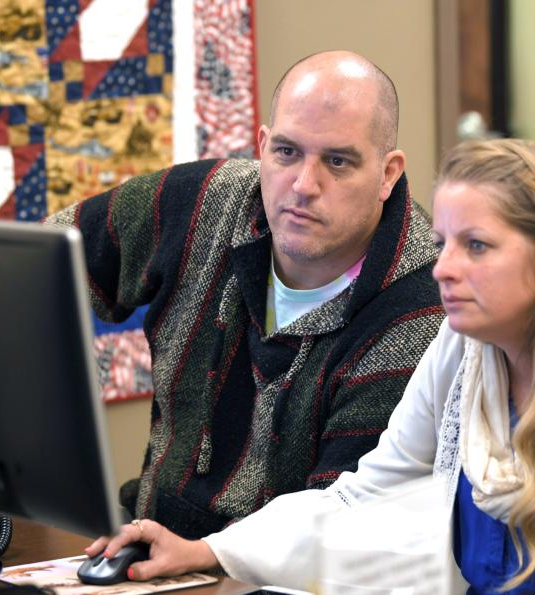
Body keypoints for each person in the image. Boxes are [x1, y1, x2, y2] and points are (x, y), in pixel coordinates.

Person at [90, 139, 535, 594]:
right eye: (442, 243)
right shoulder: (466, 349)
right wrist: (208, 550)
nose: (443, 269)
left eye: (477, 245)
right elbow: (361, 494)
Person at [47, 50, 444, 539]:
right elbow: (36, 263)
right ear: (261, 146)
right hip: (143, 540)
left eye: (337, 162)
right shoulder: (202, 202)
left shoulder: (419, 313)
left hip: (290, 580)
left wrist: (206, 558)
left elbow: (341, 532)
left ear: (388, 174)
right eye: (286, 152)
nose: (303, 185)